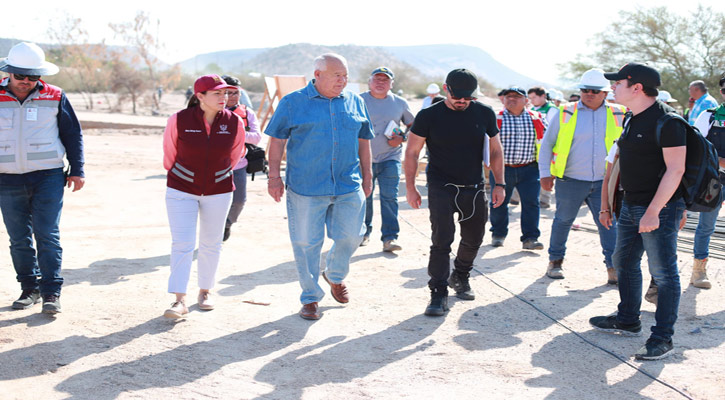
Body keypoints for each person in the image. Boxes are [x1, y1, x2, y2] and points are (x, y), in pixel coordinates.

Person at [589, 63, 687, 361]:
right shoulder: (631, 118)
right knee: (624, 260)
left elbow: (676, 169)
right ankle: (628, 319)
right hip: (631, 205)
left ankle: (662, 338)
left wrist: (654, 210)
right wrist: (610, 204)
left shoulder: (669, 122)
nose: (612, 88)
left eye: (617, 83)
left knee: (664, 273)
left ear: (637, 87)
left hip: (659, 209)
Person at [265, 53, 374, 321]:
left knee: (352, 235)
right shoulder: (292, 103)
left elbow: (364, 140)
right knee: (306, 243)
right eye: (337, 75)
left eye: (345, 75)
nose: (343, 80)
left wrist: (368, 175)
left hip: (348, 183)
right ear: (318, 75)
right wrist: (274, 177)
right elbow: (277, 140)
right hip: (306, 186)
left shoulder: (355, 101)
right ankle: (310, 297)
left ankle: (334, 275)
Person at [404, 68, 505, 316]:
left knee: (474, 238)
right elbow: (412, 152)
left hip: (473, 185)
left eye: (468, 97)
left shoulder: (484, 112)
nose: (462, 101)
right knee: (442, 240)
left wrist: (499, 183)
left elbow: (495, 150)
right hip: (441, 186)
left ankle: (460, 275)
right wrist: (410, 186)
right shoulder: (429, 115)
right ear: (446, 89)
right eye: (458, 96)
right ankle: (438, 292)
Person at [0, 42, 85, 314]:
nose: (26, 81)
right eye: (20, 76)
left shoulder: (55, 95)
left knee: (47, 234)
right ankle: (30, 289)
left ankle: (51, 292)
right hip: (6, 178)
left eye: (33, 76)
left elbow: (72, 134)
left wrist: (77, 169)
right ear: (8, 72)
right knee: (19, 239)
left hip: (47, 176)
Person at [162, 74, 246, 319]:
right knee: (182, 243)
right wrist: (185, 176)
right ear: (200, 96)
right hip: (180, 189)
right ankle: (179, 300)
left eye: (226, 93)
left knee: (211, 243)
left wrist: (216, 175)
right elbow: (169, 154)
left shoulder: (234, 122)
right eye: (217, 93)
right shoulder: (178, 120)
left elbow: (234, 156)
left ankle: (205, 291)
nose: (224, 98)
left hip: (219, 190)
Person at [538, 69, 626, 282]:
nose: (589, 94)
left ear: (605, 93)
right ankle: (555, 261)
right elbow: (547, 144)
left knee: (609, 224)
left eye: (595, 91)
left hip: (605, 182)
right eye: (585, 90)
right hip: (570, 180)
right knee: (562, 221)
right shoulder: (566, 111)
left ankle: (613, 268)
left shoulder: (619, 113)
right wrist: (545, 174)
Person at [360, 67, 415, 251]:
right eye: (377, 78)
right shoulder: (358, 100)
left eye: (385, 79)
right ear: (370, 82)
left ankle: (390, 238)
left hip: (391, 158)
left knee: (389, 198)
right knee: (364, 196)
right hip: (363, 158)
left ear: (392, 84)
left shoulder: (399, 103)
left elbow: (413, 125)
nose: (380, 82)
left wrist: (403, 138)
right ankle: (363, 233)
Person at [489, 87, 547, 250]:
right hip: (502, 170)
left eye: (516, 96)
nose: (511, 99)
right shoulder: (495, 118)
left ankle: (530, 238)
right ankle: (498, 234)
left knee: (531, 203)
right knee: (498, 202)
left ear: (526, 100)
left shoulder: (537, 118)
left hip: (529, 169)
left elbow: (547, 140)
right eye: (508, 96)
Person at [690, 72, 725, 289]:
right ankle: (698, 271)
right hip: (714, 181)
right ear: (722, 92)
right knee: (706, 227)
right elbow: (697, 149)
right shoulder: (708, 116)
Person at [221, 75, 262, 241]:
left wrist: (235, 134)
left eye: (236, 93)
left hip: (239, 165)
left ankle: (227, 224)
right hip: (215, 167)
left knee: (239, 201)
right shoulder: (211, 112)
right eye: (228, 93)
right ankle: (214, 227)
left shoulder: (247, 113)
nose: (232, 96)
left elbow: (256, 137)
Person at [528, 86, 557, 208]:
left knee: (547, 173)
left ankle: (545, 200)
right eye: (530, 98)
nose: (532, 100)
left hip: (549, 147)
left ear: (543, 96)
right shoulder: (533, 109)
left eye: (534, 97)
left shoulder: (552, 110)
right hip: (536, 148)